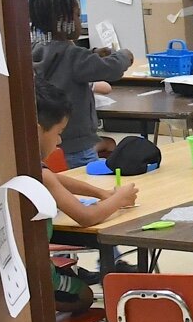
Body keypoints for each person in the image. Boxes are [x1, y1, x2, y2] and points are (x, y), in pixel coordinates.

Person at [34, 81, 138, 310]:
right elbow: (87, 217)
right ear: (38, 129)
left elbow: (55, 178)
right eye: (58, 133)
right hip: (37, 275)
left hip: (25, 267)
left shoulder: (20, 160)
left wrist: (101, 193)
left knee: (76, 277)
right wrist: (118, 199)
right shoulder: (39, 174)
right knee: (85, 295)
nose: (60, 141)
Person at [29, 0, 133, 168]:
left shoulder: (33, 50)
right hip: (78, 146)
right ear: (64, 21)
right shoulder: (73, 56)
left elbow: (67, 57)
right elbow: (112, 69)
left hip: (47, 143)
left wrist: (93, 53)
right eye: (77, 16)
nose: (79, 21)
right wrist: (124, 56)